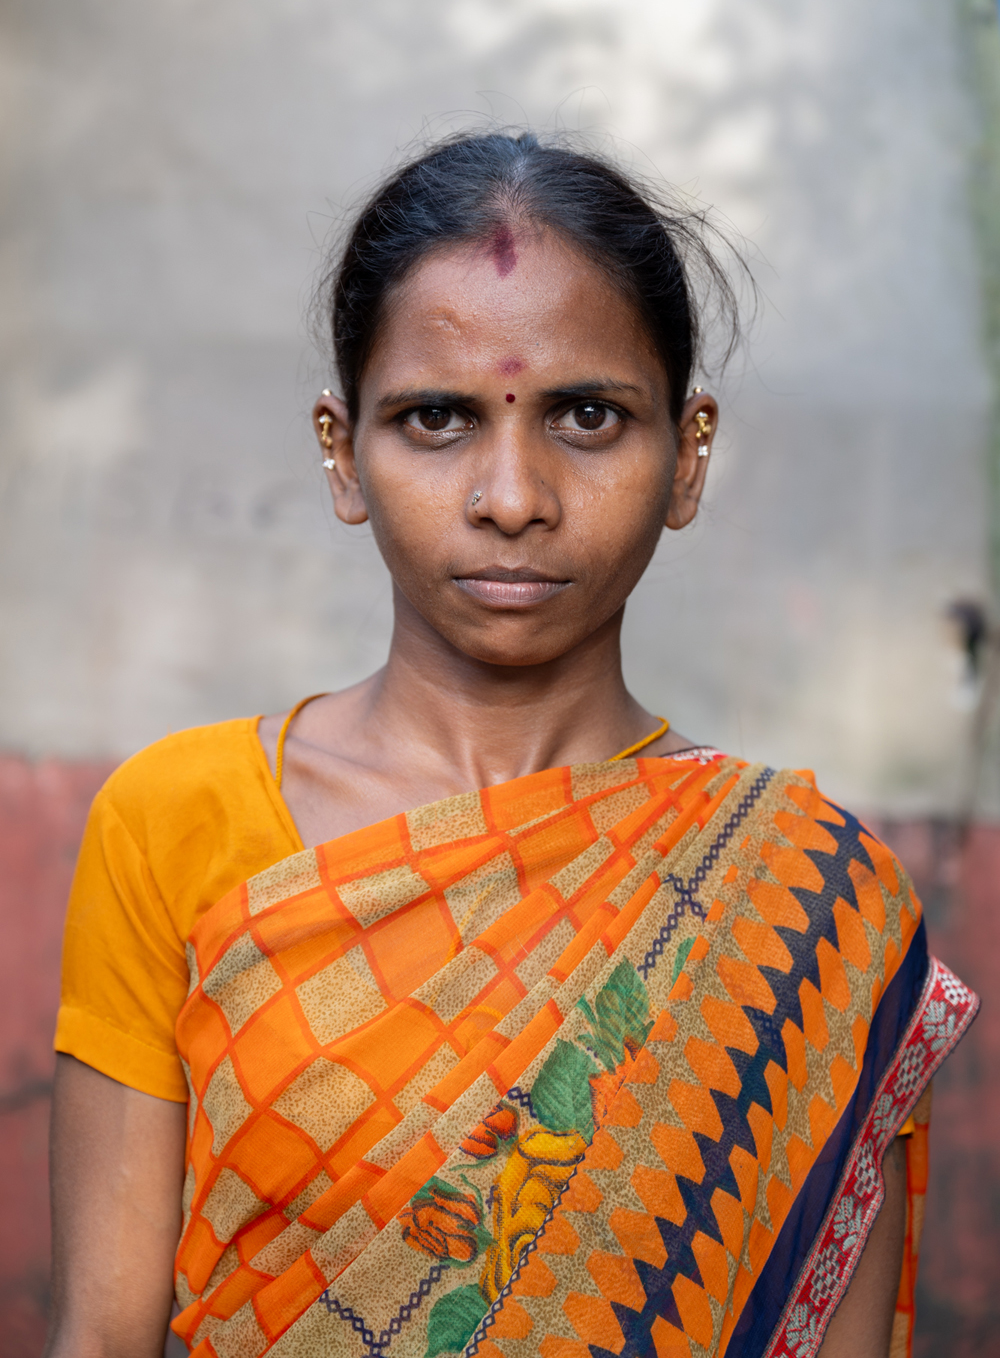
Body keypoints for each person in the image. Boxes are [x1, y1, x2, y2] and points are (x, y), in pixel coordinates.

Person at [46, 131, 977, 1358]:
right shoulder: (176, 822)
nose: (511, 495)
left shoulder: (805, 903)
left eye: (586, 416)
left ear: (686, 457)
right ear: (343, 453)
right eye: (436, 419)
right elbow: (102, 1338)